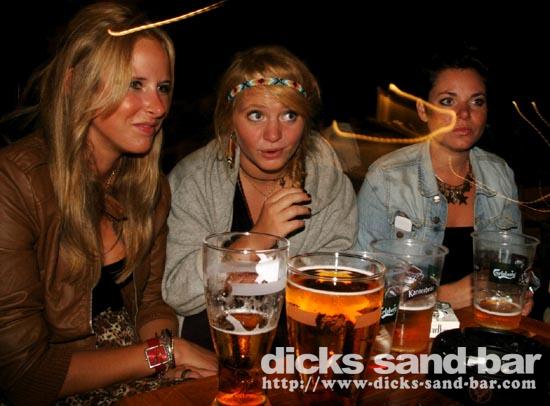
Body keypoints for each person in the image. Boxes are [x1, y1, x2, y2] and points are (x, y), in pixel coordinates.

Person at [0, 3, 216, 405]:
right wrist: (164, 354)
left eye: (163, 87)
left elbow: (151, 305)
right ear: (75, 83)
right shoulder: (14, 183)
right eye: (134, 84)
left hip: (133, 373)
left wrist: (166, 366)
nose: (158, 107)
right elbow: (23, 375)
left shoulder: (149, 190)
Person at [163, 45, 357, 349]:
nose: (274, 134)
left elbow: (337, 292)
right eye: (256, 115)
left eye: (289, 115)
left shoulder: (330, 187)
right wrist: (257, 239)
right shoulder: (194, 181)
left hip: (301, 353)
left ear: (305, 121)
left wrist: (233, 273)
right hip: (208, 353)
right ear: (230, 119)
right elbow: (178, 293)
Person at [355, 46, 522, 310]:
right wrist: (442, 296)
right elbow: (359, 286)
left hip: (483, 326)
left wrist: (521, 291)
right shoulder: (386, 178)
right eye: (447, 101)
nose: (463, 114)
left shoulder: (499, 174)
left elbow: (516, 265)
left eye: (476, 101)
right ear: (423, 110)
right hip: (407, 329)